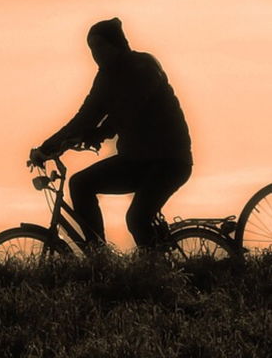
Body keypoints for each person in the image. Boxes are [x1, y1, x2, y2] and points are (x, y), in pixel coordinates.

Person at [28, 17, 192, 249]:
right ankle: (98, 256)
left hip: (169, 161)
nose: (95, 53)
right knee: (81, 184)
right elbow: (85, 117)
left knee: (137, 218)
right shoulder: (105, 78)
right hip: (135, 161)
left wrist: (97, 134)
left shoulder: (143, 66)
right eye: (91, 48)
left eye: (100, 46)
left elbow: (129, 109)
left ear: (117, 44)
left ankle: (157, 268)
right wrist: (47, 148)